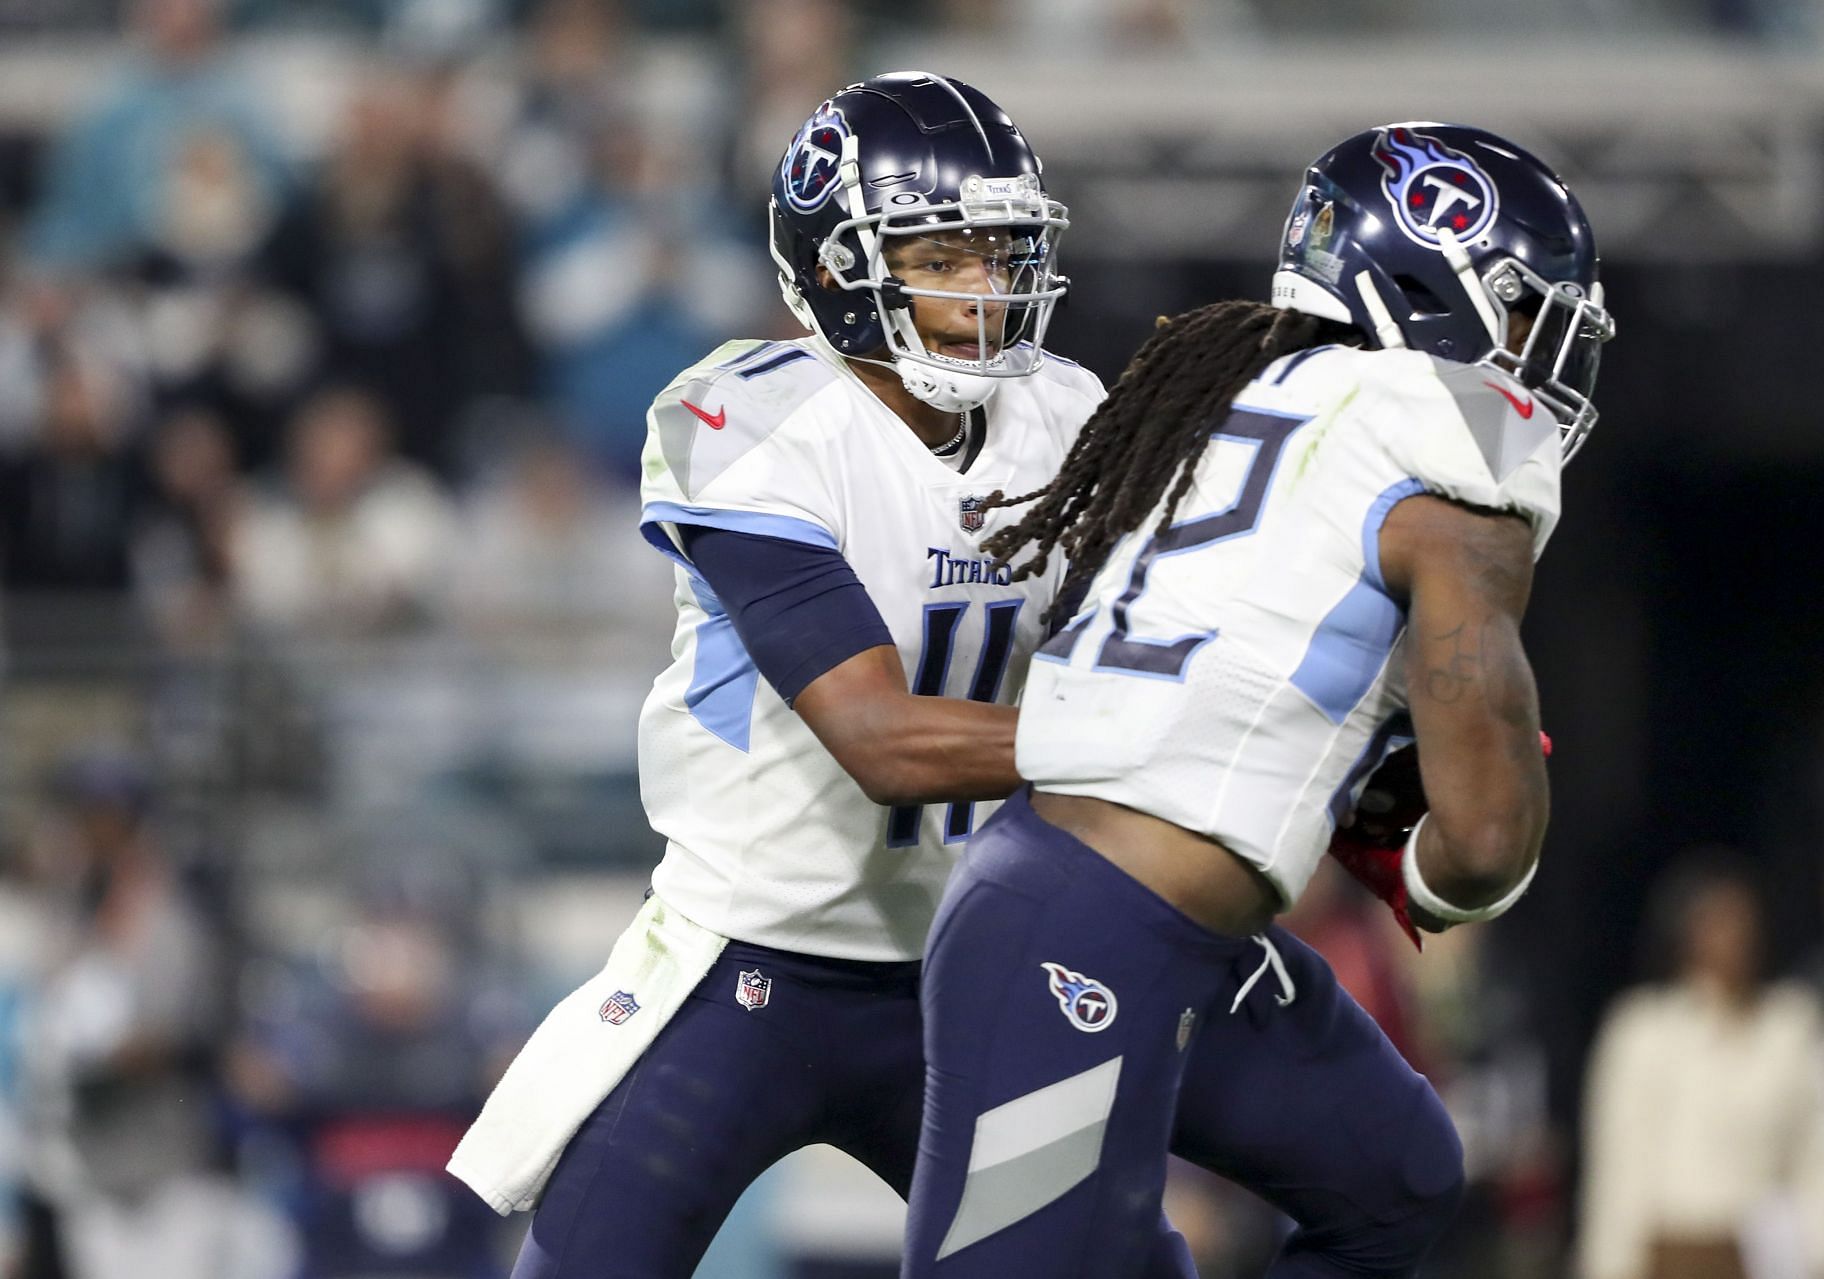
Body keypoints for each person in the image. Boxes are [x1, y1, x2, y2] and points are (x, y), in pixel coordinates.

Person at [900, 123, 1615, 1277]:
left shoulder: (1244, 388)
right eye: (1527, 310)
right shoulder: (1462, 440)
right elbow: (1484, 842)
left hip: (1107, 909)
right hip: (1088, 932)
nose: (1543, 352)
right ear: (1433, 284)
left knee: (1393, 1171)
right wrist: (1431, 853)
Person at [446, 73, 1103, 1278]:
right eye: (944, 255)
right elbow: (879, 738)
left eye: (1002, 252)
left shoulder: (1068, 411)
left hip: (968, 961)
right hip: (751, 962)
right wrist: (1147, 730)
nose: (986, 290)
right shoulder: (748, 420)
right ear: (845, 268)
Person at [1577, 854, 1824, 1279]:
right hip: (1671, 1254)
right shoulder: (1643, 1030)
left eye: (1742, 921)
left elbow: (1817, 1154)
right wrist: (1609, 1266)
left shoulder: (1791, 1025)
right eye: (1717, 922)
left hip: (1764, 1254)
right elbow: (1617, 1165)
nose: (1733, 937)